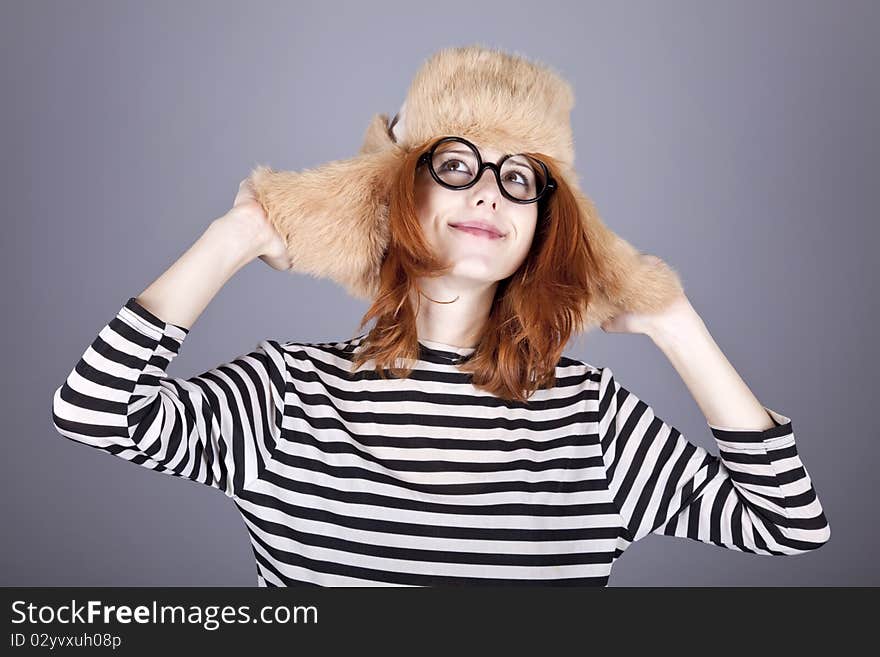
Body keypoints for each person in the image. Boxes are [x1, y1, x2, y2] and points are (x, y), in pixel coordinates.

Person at [51, 46, 831, 586]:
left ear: (540, 230)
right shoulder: (289, 393)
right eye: (456, 165)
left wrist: (672, 317)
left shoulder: (592, 421)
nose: (489, 191)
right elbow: (93, 412)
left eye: (520, 177)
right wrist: (238, 234)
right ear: (401, 194)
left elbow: (787, 523)